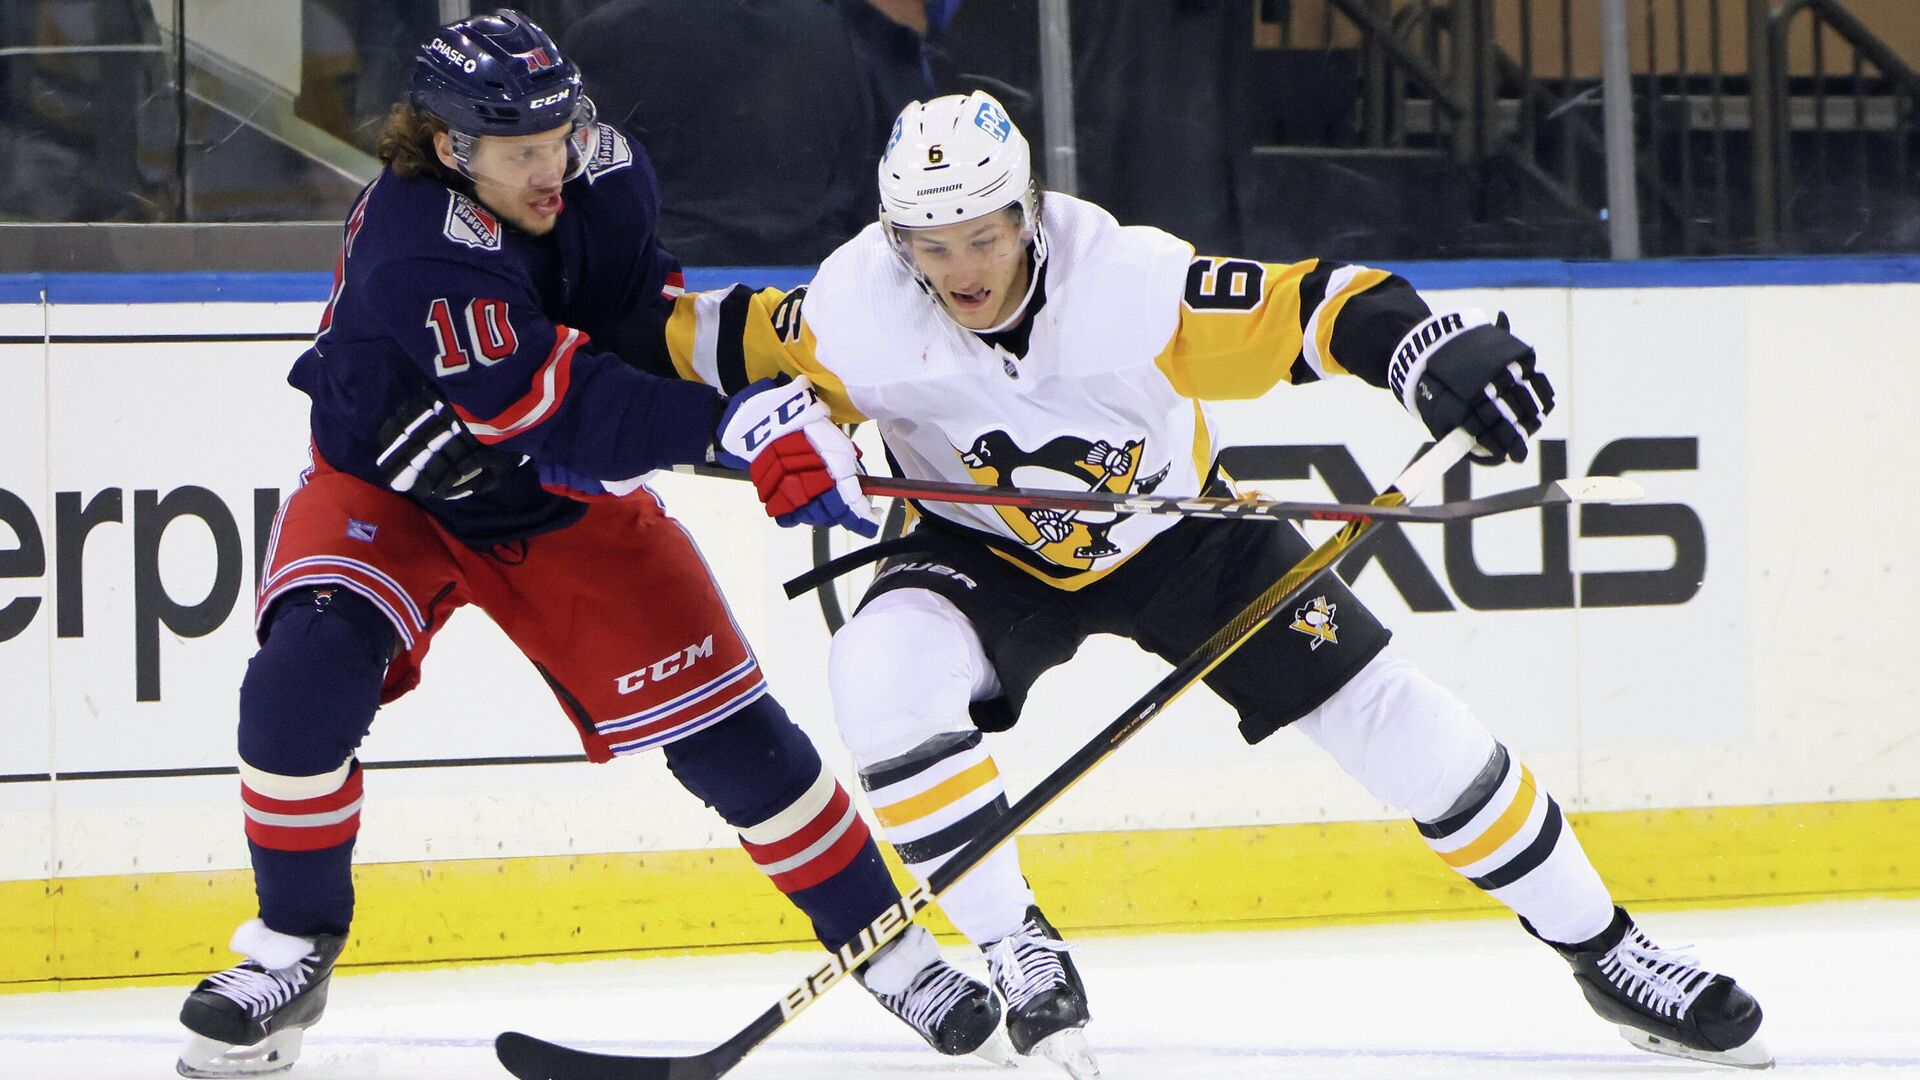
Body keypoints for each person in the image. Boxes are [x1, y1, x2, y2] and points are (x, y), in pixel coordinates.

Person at [653, 91, 1773, 1076]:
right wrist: (745, 422)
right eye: (932, 247)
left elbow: (1319, 305)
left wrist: (1432, 350)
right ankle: (1016, 948)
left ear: (1029, 213)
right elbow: (693, 340)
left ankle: (1609, 950)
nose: (963, 272)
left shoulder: (1130, 284)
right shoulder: (855, 307)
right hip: (970, 547)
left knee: (1391, 714)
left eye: (985, 235)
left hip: (1181, 535)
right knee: (878, 672)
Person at [172, 13, 1010, 1077]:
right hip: (394, 488)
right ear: (447, 147)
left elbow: (631, 328)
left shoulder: (606, 174)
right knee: (300, 679)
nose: (551, 165)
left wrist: (754, 404)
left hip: (549, 502)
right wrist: (722, 429)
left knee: (735, 744)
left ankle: (896, 956)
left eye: (559, 133)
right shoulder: (411, 241)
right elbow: (551, 405)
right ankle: (292, 947)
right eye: (520, 152)